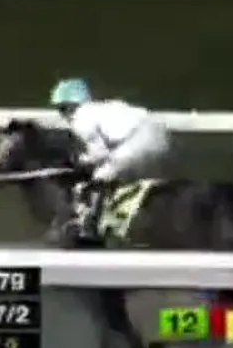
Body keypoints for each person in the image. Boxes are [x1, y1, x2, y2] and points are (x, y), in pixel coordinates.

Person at [49, 78, 172, 237]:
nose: (62, 114)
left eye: (62, 108)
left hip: (139, 140)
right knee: (125, 174)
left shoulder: (81, 118)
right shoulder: (102, 108)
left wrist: (82, 160)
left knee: (100, 176)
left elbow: (100, 154)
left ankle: (90, 226)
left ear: (71, 105)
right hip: (160, 135)